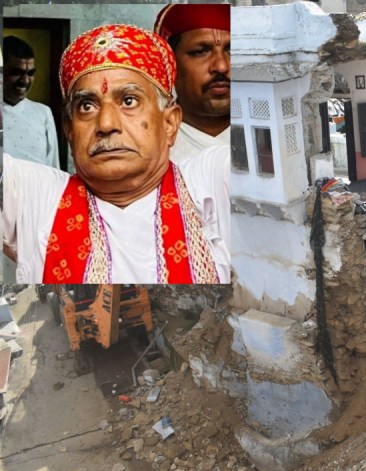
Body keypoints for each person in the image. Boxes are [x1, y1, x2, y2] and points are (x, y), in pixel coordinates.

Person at [2, 24, 230, 284]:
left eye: (129, 101)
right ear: (70, 130)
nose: (106, 124)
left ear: (169, 123)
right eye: (86, 106)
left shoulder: (210, 181)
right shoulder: (35, 197)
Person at [154, 4, 230, 161]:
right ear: (170, 65)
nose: (221, 66)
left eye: (233, 51)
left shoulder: (276, 134)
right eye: (200, 52)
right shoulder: (150, 144)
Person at [2, 35, 60, 168]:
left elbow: (53, 167)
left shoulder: (43, 113)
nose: (25, 80)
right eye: (16, 73)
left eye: (30, 73)